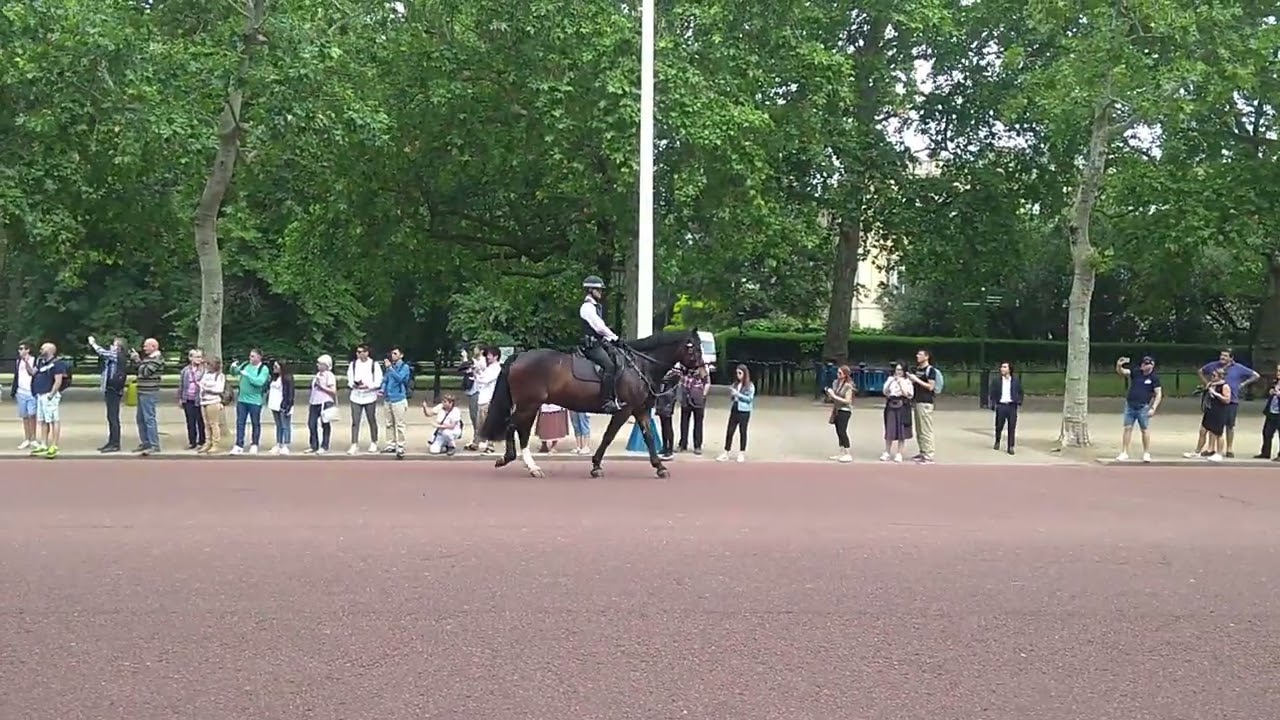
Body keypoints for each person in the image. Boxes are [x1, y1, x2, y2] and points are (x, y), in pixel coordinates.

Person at [578, 275, 622, 412]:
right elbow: (599, 327)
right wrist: (614, 337)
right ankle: (606, 401)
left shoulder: (596, 307)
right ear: (590, 290)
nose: (601, 292)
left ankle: (617, 395)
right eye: (598, 290)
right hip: (590, 345)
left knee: (618, 358)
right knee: (609, 366)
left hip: (599, 342)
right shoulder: (587, 307)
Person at [1116, 355, 1161, 462]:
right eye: (1143, 363)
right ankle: (1124, 452)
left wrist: (1153, 408)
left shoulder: (1154, 378)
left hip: (1143, 407)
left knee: (1144, 429)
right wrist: (1119, 365)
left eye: (1147, 364)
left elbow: (1158, 394)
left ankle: (1146, 453)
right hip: (1130, 405)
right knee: (1127, 428)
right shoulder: (1136, 372)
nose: (1144, 365)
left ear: (1152, 365)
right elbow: (1123, 372)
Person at [29, 343, 69, 459]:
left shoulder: (57, 364)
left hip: (49, 395)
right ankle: (44, 444)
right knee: (43, 420)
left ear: (50, 350)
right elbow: (32, 373)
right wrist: (26, 362)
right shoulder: (40, 362)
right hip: (40, 394)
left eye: (43, 348)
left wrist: (51, 394)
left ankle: (54, 445)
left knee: (53, 419)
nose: (41, 350)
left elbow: (58, 380)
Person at [716, 364, 754, 463]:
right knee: (730, 431)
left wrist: (738, 394)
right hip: (735, 409)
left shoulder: (750, 386)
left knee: (743, 432)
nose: (738, 375)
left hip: (744, 411)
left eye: (740, 373)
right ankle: (726, 452)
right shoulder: (736, 384)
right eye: (737, 373)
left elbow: (749, 399)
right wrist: (732, 394)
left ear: (745, 374)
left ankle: (741, 453)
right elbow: (733, 397)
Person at [880, 361, 914, 462]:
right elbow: (885, 391)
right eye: (897, 369)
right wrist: (891, 382)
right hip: (891, 403)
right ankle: (887, 452)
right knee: (890, 429)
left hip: (903, 405)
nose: (898, 372)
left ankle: (899, 453)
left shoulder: (907, 381)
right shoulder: (890, 379)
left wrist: (900, 383)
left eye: (900, 370)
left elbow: (908, 394)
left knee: (901, 430)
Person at [987, 361, 1024, 455]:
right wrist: (993, 404)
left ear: (1009, 369)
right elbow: (992, 393)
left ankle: (1010, 446)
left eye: (1004, 367)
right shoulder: (997, 381)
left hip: (1012, 406)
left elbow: (1020, 391)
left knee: (1012, 426)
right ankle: (997, 441)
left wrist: (1019, 401)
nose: (1002, 369)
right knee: (999, 426)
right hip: (1001, 405)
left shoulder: (1015, 381)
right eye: (1001, 367)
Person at [1199, 367, 1231, 462]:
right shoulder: (1211, 385)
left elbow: (1227, 400)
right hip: (1210, 410)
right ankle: (1198, 450)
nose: (1211, 377)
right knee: (1204, 430)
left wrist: (1216, 394)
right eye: (1211, 375)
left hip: (1219, 411)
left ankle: (1219, 453)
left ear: (1220, 377)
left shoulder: (1224, 386)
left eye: (1214, 375)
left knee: (1218, 433)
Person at [825, 364, 854, 463]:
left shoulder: (848, 386)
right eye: (837, 372)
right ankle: (841, 452)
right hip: (837, 409)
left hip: (845, 410)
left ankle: (848, 453)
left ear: (845, 374)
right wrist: (829, 394)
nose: (838, 374)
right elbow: (833, 398)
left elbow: (848, 401)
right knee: (838, 431)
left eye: (840, 373)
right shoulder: (835, 383)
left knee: (842, 431)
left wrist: (834, 396)